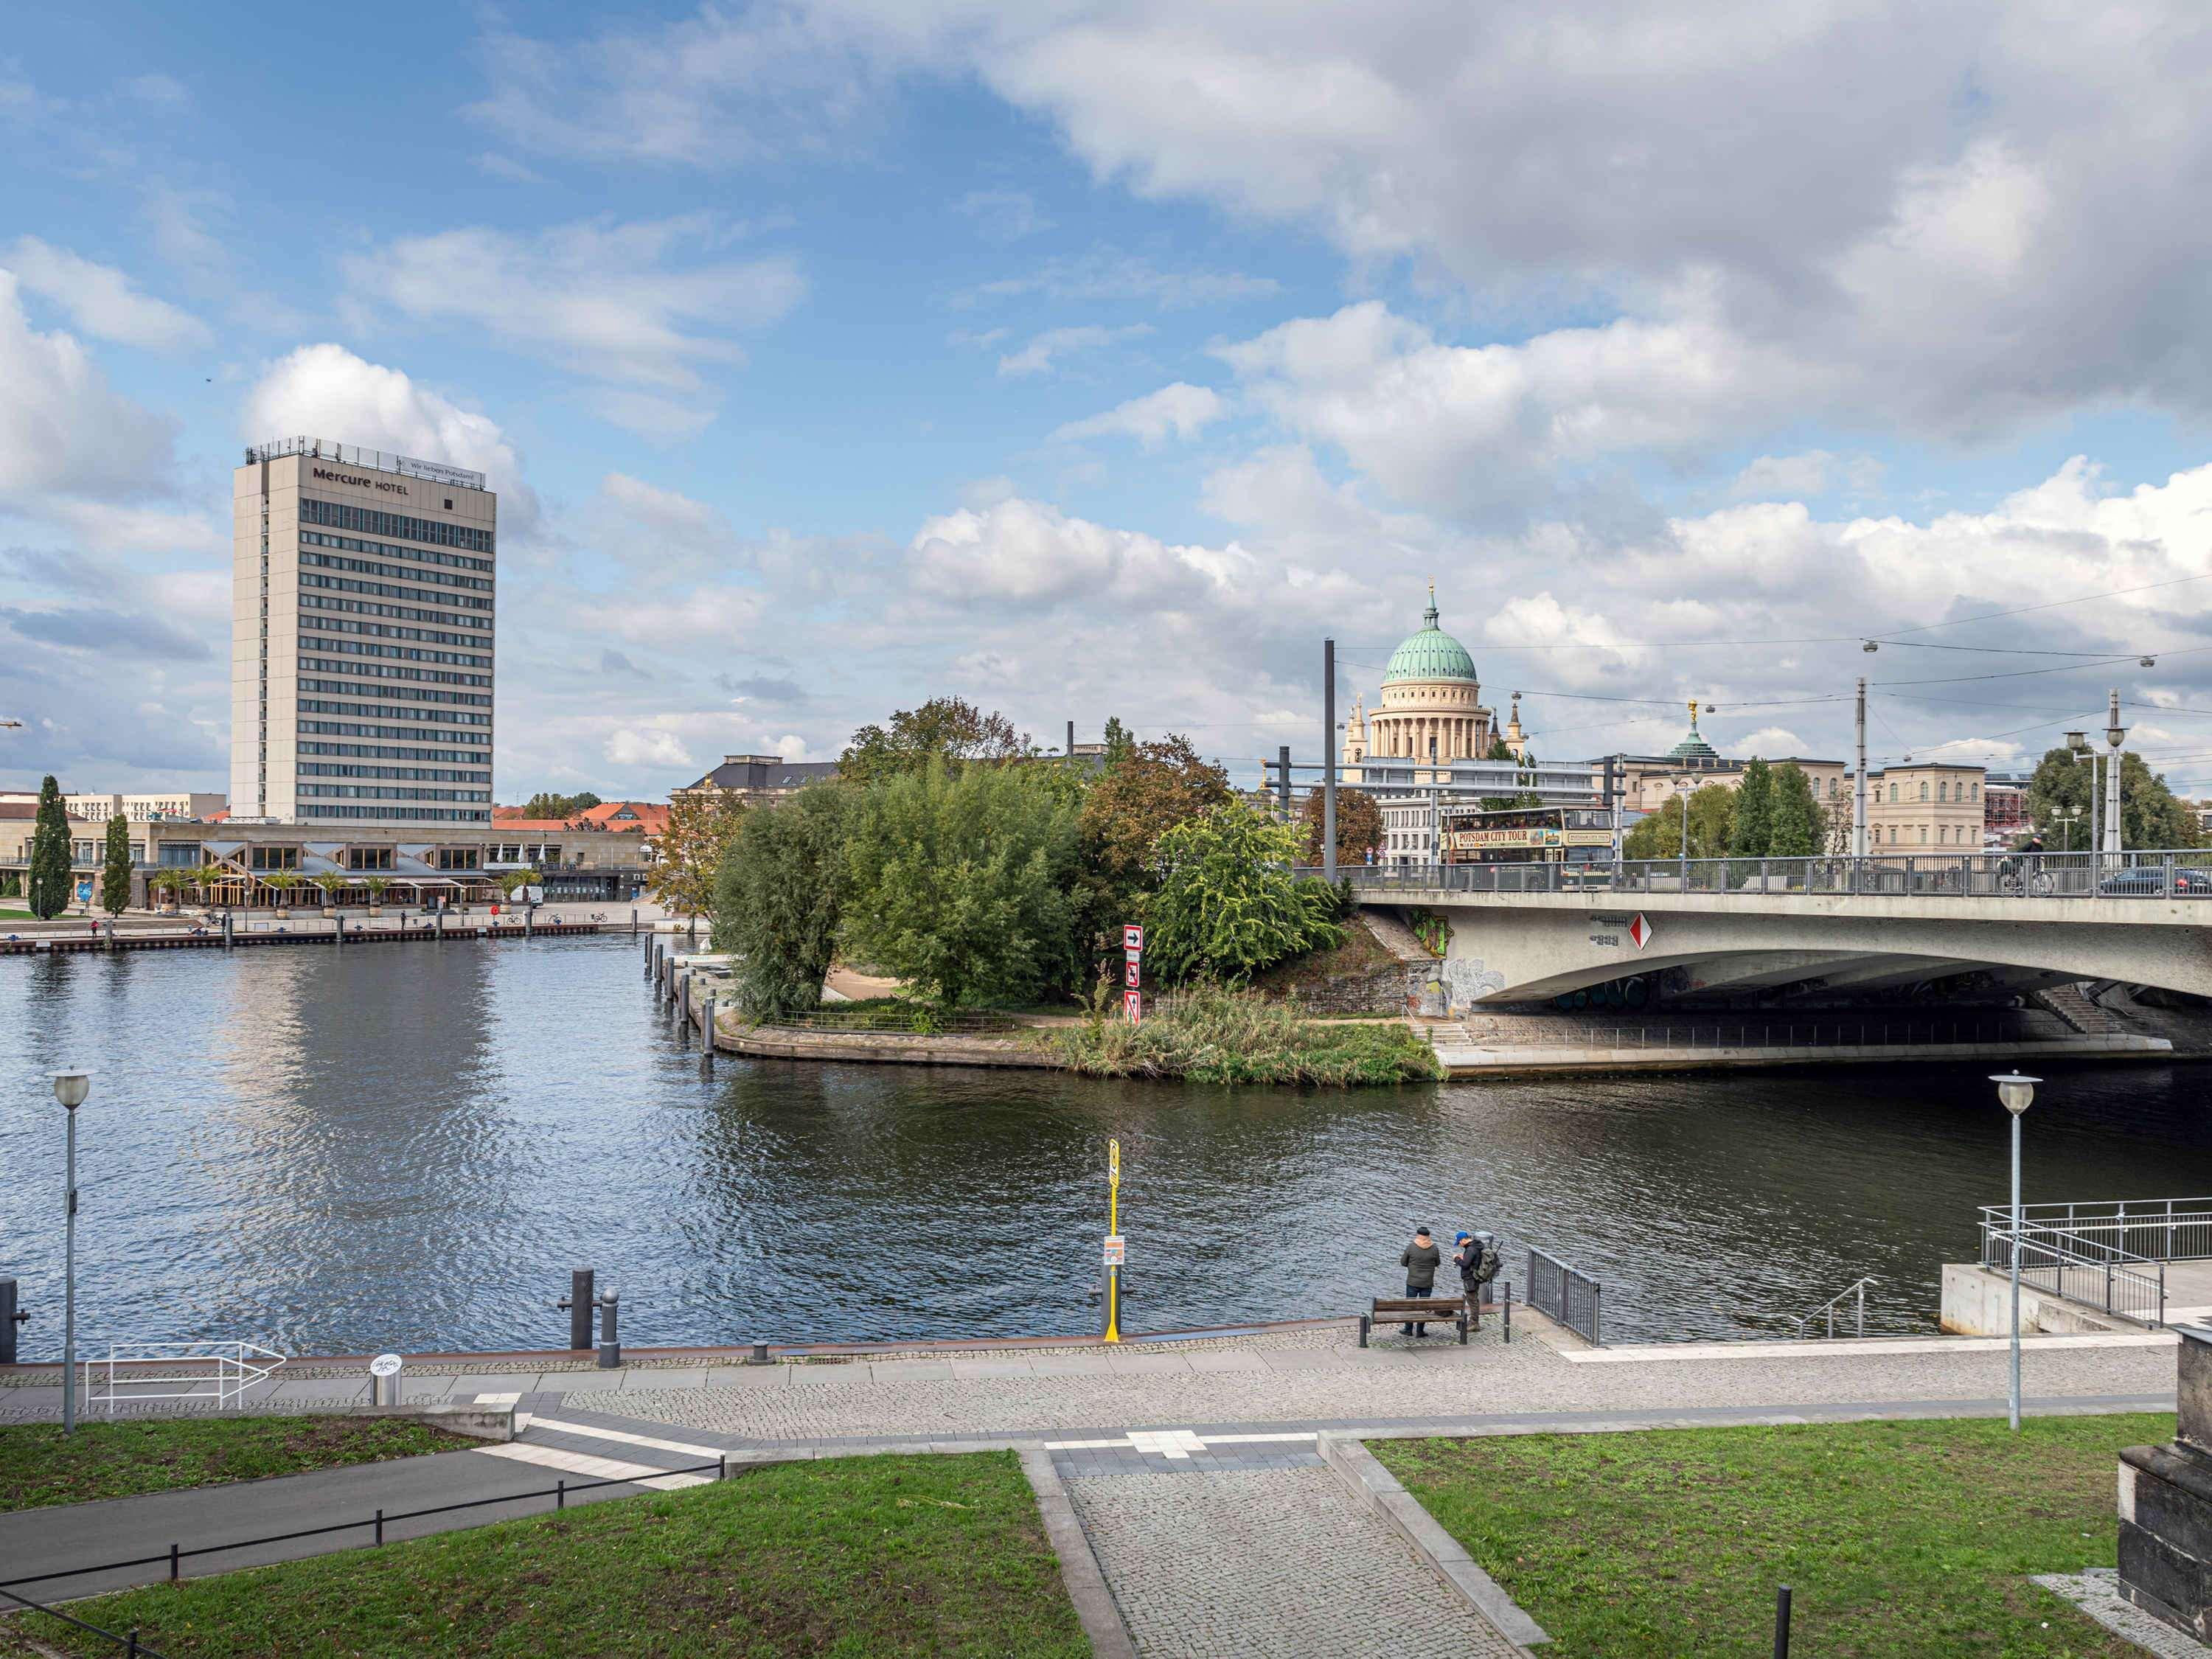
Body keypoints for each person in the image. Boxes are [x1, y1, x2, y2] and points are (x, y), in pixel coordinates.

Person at [1399, 1226, 1441, 1335]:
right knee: (1424, 1306)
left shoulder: (1411, 1247)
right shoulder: (1434, 1248)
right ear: (1428, 1236)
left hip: (1412, 1282)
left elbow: (1403, 1262)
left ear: (1418, 1235)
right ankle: (1420, 1331)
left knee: (1410, 1306)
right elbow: (1437, 1263)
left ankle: (1408, 1329)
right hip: (1427, 1283)